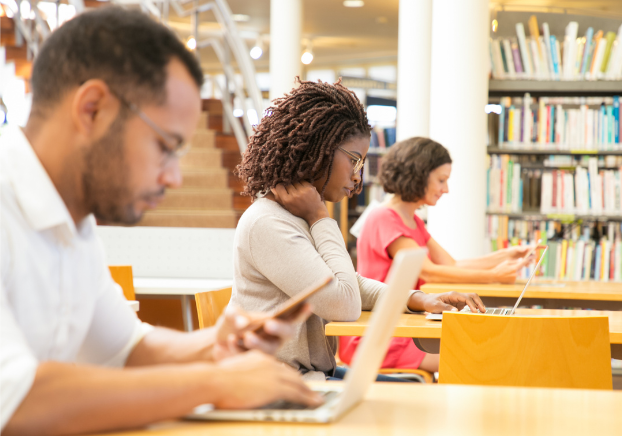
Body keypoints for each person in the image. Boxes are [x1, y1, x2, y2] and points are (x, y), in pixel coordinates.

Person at [0, 8, 323, 436]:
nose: (173, 176)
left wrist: (216, 346)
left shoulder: (73, 221)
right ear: (93, 109)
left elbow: (128, 348)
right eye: (165, 146)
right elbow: (16, 399)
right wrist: (214, 380)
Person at [231, 79, 486, 382]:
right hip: (280, 383)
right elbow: (343, 302)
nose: (357, 176)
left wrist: (417, 299)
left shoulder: (293, 217)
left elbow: (348, 283)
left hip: (310, 374)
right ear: (317, 148)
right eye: (353, 160)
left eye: (362, 163)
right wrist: (320, 217)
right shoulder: (268, 223)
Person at [339, 137, 533, 373]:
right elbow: (428, 270)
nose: (446, 189)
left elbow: (452, 264)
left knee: (480, 353)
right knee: (479, 360)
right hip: (376, 335)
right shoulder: (384, 218)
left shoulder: (413, 221)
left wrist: (505, 256)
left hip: (399, 325)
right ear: (418, 174)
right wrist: (494, 276)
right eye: (441, 180)